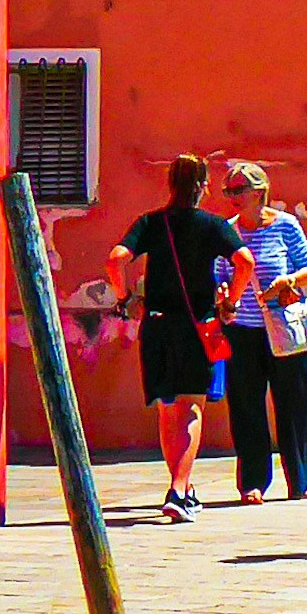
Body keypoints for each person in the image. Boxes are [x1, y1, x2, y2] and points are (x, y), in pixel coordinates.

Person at [110, 153, 244, 523]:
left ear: (170, 184)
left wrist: (125, 297)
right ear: (202, 187)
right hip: (197, 325)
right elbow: (245, 261)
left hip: (156, 325)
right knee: (191, 407)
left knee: (169, 409)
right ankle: (179, 490)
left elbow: (116, 258)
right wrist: (231, 302)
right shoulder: (213, 226)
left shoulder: (152, 223)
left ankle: (180, 485)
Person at [219, 161, 307, 503]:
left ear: (260, 192)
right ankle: (253, 482)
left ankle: (302, 477)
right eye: (228, 191)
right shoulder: (227, 231)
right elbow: (218, 273)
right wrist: (221, 293)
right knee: (246, 406)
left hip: (285, 329)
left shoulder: (285, 226)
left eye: (239, 190)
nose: (232, 197)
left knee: (294, 403)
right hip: (242, 330)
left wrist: (289, 281)